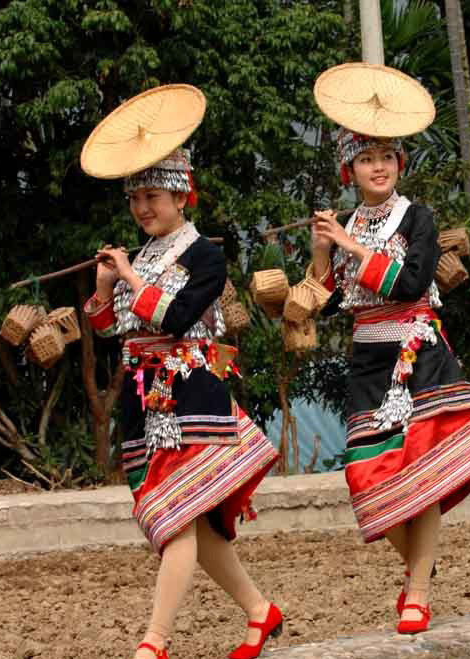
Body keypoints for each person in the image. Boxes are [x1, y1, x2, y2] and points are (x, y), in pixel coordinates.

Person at [309, 129, 470, 633]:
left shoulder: (417, 217)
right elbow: (326, 300)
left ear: (399, 163)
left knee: (421, 474)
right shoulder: (346, 224)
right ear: (349, 171)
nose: (378, 167)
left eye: (386, 157)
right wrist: (321, 251)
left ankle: (418, 591)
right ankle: (421, 563)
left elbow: (410, 284)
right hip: (366, 359)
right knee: (364, 474)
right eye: (365, 160)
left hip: (415, 351)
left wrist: (351, 247)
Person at [84, 147, 281, 659]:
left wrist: (128, 278)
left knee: (176, 522)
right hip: (141, 403)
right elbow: (118, 333)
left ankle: (155, 642)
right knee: (191, 527)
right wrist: (105, 290)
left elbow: (175, 319)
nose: (142, 208)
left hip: (190, 396)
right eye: (134, 199)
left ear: (180, 194)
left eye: (151, 196)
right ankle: (261, 611)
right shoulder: (141, 255)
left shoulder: (205, 256)